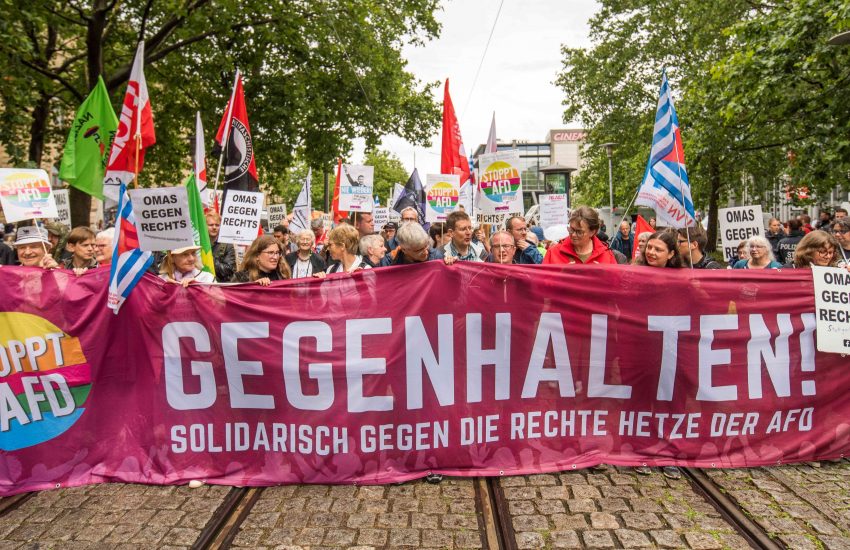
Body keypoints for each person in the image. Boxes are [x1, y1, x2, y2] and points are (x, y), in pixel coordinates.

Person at [543, 206, 617, 265]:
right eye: (571, 229)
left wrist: (604, 276)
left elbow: (615, 282)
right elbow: (542, 282)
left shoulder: (606, 256)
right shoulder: (553, 253)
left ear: (592, 232)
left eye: (579, 232)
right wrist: (562, 276)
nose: (573, 235)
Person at [206, 212, 236, 282]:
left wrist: (209, 258)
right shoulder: (199, 243)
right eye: (211, 225)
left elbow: (229, 270)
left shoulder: (227, 245)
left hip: (219, 285)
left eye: (217, 225)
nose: (214, 227)